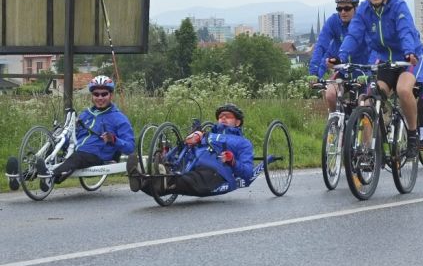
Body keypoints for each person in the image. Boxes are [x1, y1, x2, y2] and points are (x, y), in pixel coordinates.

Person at [335, 0, 423, 159]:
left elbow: (406, 31)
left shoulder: (398, 6)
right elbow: (354, 35)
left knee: (404, 91)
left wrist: (409, 51)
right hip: (384, 61)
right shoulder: (364, 10)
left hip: (408, 58)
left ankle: (412, 135)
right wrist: (341, 56)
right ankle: (370, 148)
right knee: (369, 99)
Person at [4, 75, 135, 189]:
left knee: (77, 158)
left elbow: (130, 147)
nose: (100, 98)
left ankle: (51, 177)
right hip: (74, 151)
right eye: (96, 94)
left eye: (104, 94)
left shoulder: (119, 118)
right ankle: (20, 177)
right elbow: (72, 137)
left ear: (111, 95)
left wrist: (114, 139)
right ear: (92, 96)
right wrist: (61, 139)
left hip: (96, 155)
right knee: (51, 149)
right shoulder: (85, 114)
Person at [127, 103, 254, 197]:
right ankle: (141, 177)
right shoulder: (207, 134)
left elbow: (248, 173)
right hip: (191, 165)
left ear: (237, 122)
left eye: (228, 116)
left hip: (216, 171)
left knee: (186, 181)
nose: (223, 118)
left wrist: (232, 161)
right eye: (220, 116)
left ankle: (161, 176)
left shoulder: (243, 143)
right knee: (165, 186)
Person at [307, 0, 369, 112]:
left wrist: (369, 73)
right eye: (339, 8)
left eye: (347, 8)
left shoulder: (363, 23)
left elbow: (374, 49)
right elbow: (321, 46)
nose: (343, 12)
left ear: (356, 8)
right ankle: (335, 124)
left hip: (363, 72)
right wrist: (314, 73)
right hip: (342, 72)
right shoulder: (333, 21)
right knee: (330, 94)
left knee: (364, 108)